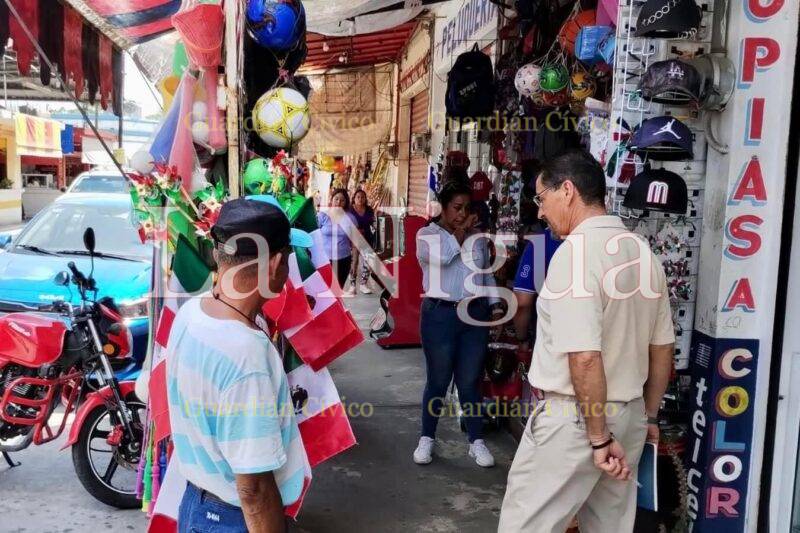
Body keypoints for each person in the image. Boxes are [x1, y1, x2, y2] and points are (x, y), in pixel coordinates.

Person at [498, 150, 675, 532]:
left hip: (577, 420)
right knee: (609, 525)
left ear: (567, 191)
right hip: (628, 417)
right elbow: (662, 348)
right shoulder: (642, 253)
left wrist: (598, 438)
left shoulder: (574, 255)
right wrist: (648, 416)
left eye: (541, 198)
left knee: (525, 526)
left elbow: (584, 357)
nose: (540, 211)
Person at [167, 197, 314, 533]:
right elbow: (254, 490)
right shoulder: (245, 354)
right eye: (289, 256)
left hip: (197, 506)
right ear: (275, 263)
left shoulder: (192, 312)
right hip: (232, 518)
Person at [414, 180, 504, 468]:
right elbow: (443, 257)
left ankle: (476, 441)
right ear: (443, 207)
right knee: (438, 381)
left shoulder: (477, 239)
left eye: (467, 208)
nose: (462, 214)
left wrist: (495, 306)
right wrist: (462, 232)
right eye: (456, 208)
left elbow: (485, 274)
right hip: (439, 315)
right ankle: (427, 437)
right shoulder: (427, 235)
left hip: (474, 315)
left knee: (470, 380)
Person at [511, 227, 561, 351]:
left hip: (550, 335)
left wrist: (522, 338)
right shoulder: (599, 237)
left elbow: (521, 302)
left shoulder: (541, 242)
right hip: (595, 332)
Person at [318, 188, 358, 289]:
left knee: (337, 290)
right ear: (331, 199)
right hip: (324, 260)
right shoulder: (322, 216)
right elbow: (314, 237)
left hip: (343, 261)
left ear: (346, 202)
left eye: (342, 200)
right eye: (336, 199)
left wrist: (355, 263)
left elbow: (355, 243)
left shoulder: (351, 218)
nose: (338, 202)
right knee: (324, 289)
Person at [349, 188, 376, 295]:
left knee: (368, 262)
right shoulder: (350, 210)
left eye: (362, 197)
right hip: (353, 239)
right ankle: (352, 285)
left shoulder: (369, 210)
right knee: (354, 262)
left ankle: (363, 284)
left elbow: (372, 223)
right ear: (354, 198)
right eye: (358, 197)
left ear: (365, 199)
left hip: (367, 238)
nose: (360, 199)